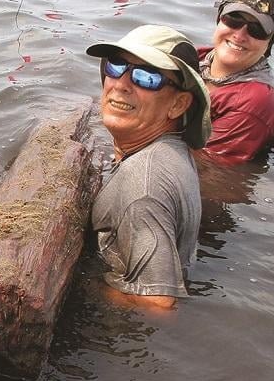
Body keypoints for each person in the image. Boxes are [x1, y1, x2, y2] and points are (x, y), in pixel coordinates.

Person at [85, 24, 211, 311]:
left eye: (148, 77)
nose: (121, 83)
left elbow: (157, 303)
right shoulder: (171, 150)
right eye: (116, 66)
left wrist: (86, 290)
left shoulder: (143, 187)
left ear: (178, 104)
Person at [198, 0, 274, 164]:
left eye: (256, 29)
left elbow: (207, 167)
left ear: (269, 43)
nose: (239, 35)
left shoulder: (254, 102)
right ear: (219, 19)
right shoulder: (195, 58)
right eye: (234, 19)